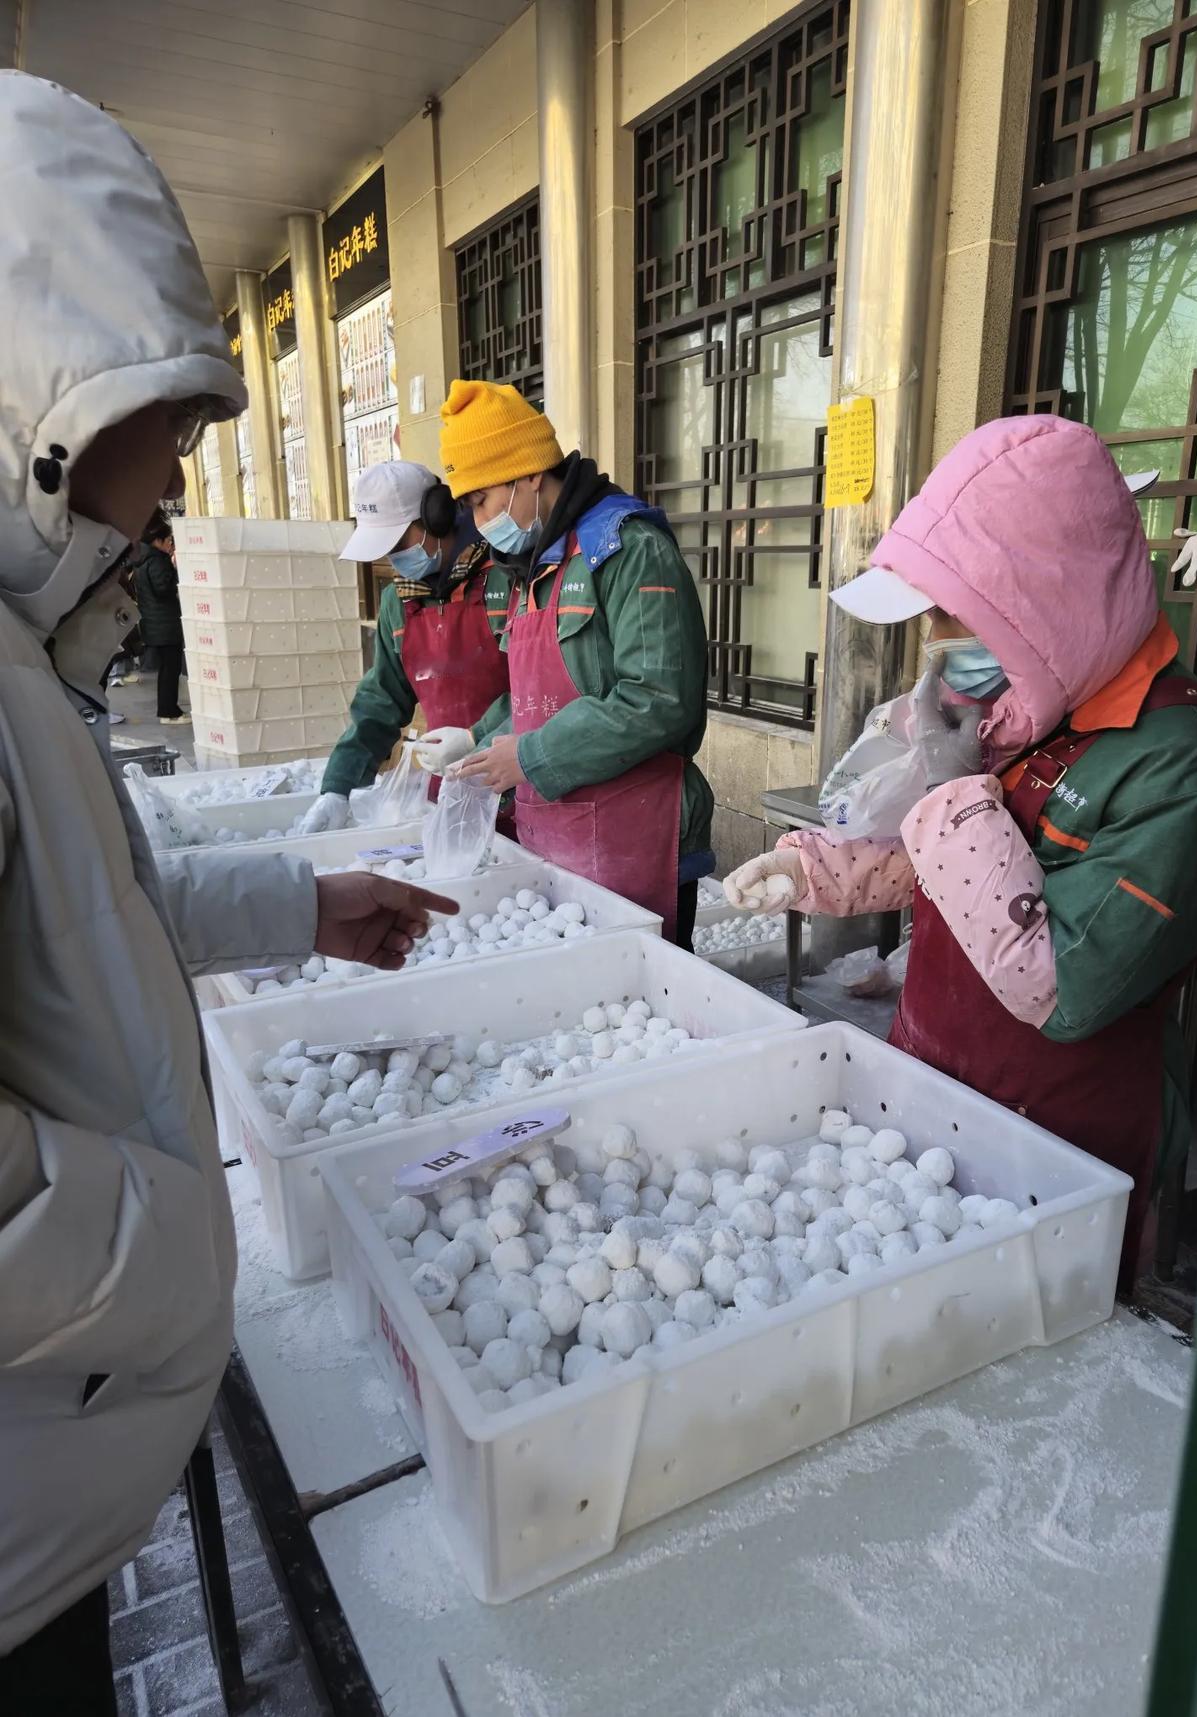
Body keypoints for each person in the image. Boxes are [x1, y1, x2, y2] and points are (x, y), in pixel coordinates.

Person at [0, 72, 453, 1714]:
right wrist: (187, 1253)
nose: (183, 483)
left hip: (49, 1485)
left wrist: (298, 899)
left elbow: (81, 917)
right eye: (172, 429)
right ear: (46, 398)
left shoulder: (23, 658)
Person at [725, 416, 1197, 1282]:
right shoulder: (1028, 702)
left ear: (1047, 604)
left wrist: (946, 795)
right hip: (932, 1103)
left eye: (954, 616)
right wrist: (812, 866)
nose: (938, 644)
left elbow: (1063, 986)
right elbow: (939, 858)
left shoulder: (1179, 768)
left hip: (1064, 1153)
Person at [434, 380, 714, 946]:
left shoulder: (628, 548)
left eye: (480, 500)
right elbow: (538, 697)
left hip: (639, 832)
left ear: (530, 473)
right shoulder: (530, 566)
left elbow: (658, 699)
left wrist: (532, 755)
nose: (479, 520)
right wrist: (478, 741)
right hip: (558, 830)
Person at [300, 459, 510, 834]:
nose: (394, 557)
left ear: (437, 516)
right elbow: (381, 700)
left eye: (399, 542)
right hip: (448, 792)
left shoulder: (505, 577)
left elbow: (539, 688)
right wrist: (338, 787)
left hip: (516, 782)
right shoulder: (399, 602)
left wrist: (477, 737)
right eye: (386, 549)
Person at [130, 510, 189, 723]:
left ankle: (168, 710)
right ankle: (169, 712)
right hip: (164, 624)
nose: (170, 544)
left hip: (155, 623)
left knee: (167, 669)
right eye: (168, 540)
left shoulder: (143, 559)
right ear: (158, 541)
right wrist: (174, 569)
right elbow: (163, 589)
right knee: (170, 670)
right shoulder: (157, 561)